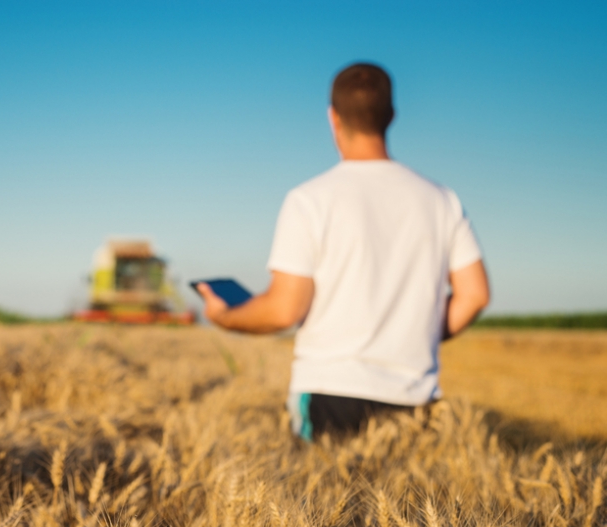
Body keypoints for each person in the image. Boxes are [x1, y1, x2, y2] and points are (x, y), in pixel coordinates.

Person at [197, 62, 490, 441]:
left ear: (332, 117)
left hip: (329, 391)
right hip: (414, 395)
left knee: (323, 497)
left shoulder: (309, 200)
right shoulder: (441, 199)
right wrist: (415, 333)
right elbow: (475, 294)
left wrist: (226, 316)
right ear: (391, 116)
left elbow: (285, 309)